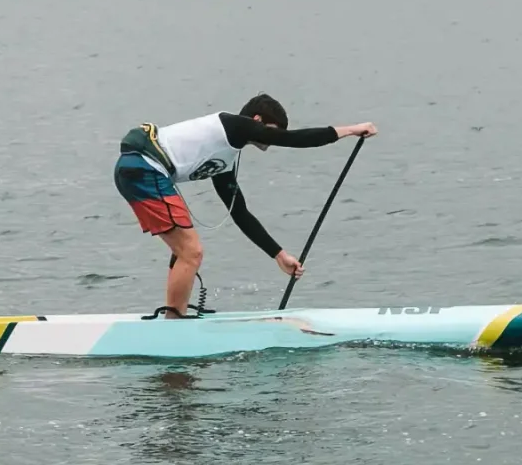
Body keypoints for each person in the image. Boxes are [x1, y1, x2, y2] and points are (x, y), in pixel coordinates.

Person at [115, 95, 377, 317]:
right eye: (273, 132)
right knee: (191, 251)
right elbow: (296, 140)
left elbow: (239, 213)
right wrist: (351, 130)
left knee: (185, 249)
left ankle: (173, 318)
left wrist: (278, 254)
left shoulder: (226, 157)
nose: (274, 140)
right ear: (257, 121)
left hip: (137, 170)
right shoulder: (231, 124)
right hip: (144, 166)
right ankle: (174, 325)